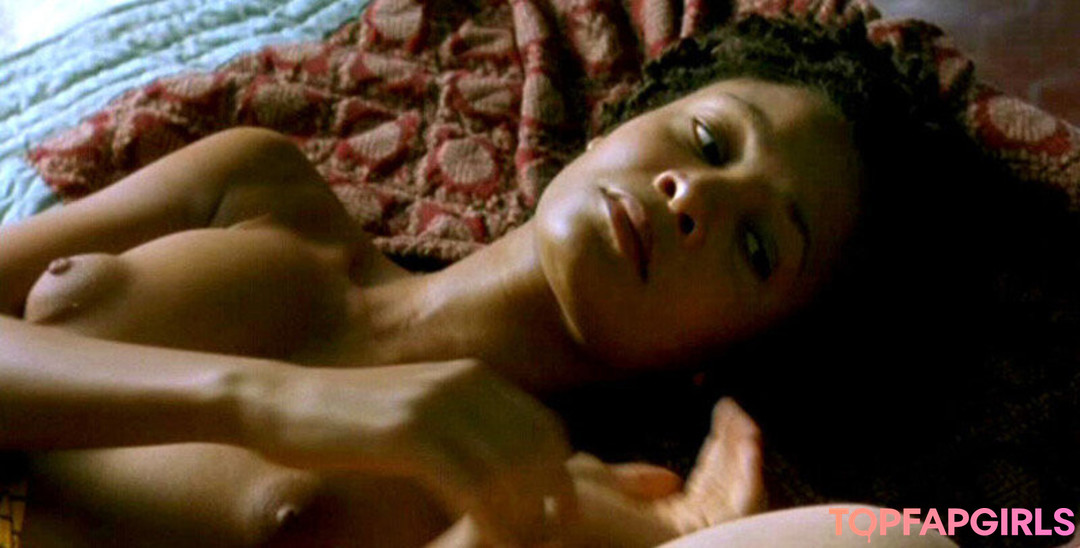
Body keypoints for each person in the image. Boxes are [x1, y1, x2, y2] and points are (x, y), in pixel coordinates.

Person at [0, 14, 976, 547]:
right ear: (620, 120)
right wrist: (269, 401)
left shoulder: (563, 499)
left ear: (723, 356)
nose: (695, 198)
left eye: (757, 246)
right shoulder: (254, 184)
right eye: (709, 141)